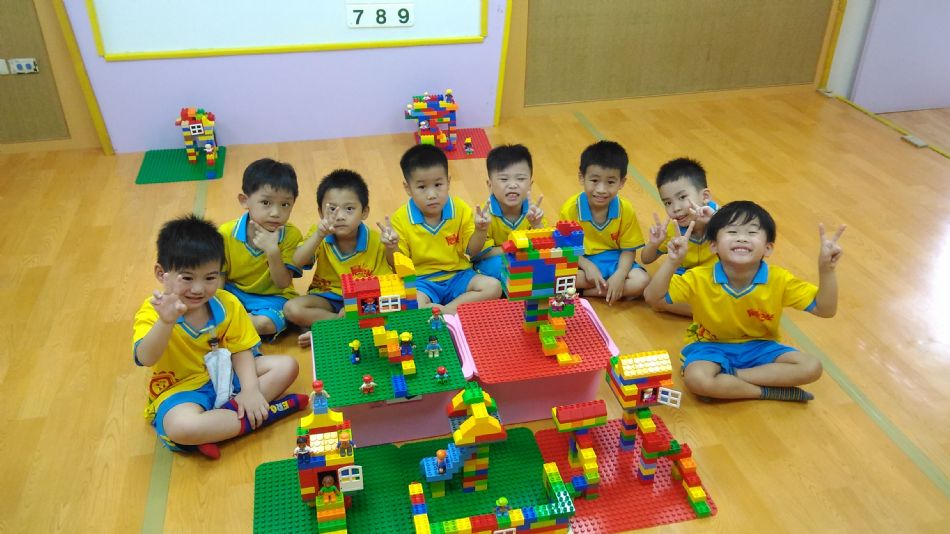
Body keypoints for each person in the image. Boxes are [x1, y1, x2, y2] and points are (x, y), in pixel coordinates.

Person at [133, 215, 305, 459]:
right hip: (183, 388)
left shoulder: (228, 303)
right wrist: (165, 322)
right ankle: (262, 415)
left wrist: (250, 390)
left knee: (287, 365)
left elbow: (241, 350)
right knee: (182, 427)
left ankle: (220, 426)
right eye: (187, 278)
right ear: (162, 274)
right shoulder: (153, 312)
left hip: (229, 375)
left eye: (210, 278)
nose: (198, 289)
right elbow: (146, 358)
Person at [643, 201, 845, 402]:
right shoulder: (698, 277)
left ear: (768, 248)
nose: (741, 238)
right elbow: (653, 297)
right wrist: (672, 262)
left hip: (760, 347)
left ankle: (730, 380)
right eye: (732, 232)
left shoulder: (779, 279)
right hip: (709, 345)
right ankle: (767, 391)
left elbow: (825, 309)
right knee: (697, 379)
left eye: (752, 232)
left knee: (811, 366)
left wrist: (826, 270)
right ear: (713, 245)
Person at [383, 144, 502, 313]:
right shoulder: (400, 219)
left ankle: (445, 311)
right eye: (422, 187)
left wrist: (480, 231)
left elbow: (472, 251)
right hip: (421, 282)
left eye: (438, 184)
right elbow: (397, 266)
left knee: (493, 287)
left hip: (458, 275)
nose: (431, 195)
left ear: (448, 182)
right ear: (408, 188)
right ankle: (452, 311)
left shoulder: (460, 209)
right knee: (409, 303)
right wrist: (391, 247)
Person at [283, 169, 395, 348]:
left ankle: (326, 330)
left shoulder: (375, 240)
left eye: (349, 209)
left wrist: (391, 247)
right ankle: (339, 325)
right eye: (332, 209)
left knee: (386, 309)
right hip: (326, 298)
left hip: (362, 301)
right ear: (321, 212)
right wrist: (318, 236)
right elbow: (297, 261)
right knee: (291, 309)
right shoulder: (319, 234)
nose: (341, 216)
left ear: (364, 212)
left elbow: (385, 284)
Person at [218, 158, 303, 337]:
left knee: (264, 324)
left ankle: (231, 326)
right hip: (234, 292)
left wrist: (272, 251)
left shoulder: (291, 235)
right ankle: (235, 324)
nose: (276, 213)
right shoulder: (225, 233)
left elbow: (282, 283)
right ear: (244, 201)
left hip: (273, 298)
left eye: (285, 204)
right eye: (266, 203)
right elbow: (218, 279)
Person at [558, 141, 649, 304]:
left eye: (610, 182)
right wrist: (587, 266)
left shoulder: (625, 210)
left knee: (642, 281)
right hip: (580, 261)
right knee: (552, 277)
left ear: (622, 182)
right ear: (581, 177)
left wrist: (620, 274)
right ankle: (607, 289)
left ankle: (584, 292)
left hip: (613, 261)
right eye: (594, 180)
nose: (601, 189)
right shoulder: (570, 209)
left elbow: (629, 250)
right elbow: (566, 248)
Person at [640, 158, 718, 316]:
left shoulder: (724, 219)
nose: (675, 208)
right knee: (651, 296)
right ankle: (713, 315)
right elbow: (646, 259)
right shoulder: (673, 229)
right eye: (668, 203)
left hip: (719, 278)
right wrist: (654, 244)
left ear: (705, 196)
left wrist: (718, 224)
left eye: (682, 197)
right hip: (687, 278)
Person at [473, 144, 545, 282]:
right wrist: (514, 248)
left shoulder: (533, 211)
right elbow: (478, 254)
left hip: (525, 259)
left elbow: (546, 245)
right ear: (490, 185)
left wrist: (537, 224)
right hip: (495, 264)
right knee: (502, 266)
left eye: (520, 179)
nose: (512, 185)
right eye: (504, 179)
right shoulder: (485, 216)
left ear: (530, 185)